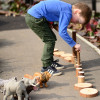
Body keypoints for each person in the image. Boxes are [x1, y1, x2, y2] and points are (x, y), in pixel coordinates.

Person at [25, 0, 92, 76]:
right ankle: (46, 68)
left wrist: (50, 22)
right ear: (77, 11)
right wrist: (74, 44)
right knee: (49, 40)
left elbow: (49, 10)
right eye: (77, 21)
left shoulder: (66, 8)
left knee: (51, 38)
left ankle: (50, 62)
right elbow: (62, 32)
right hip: (34, 18)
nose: (75, 23)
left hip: (36, 16)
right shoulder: (68, 12)